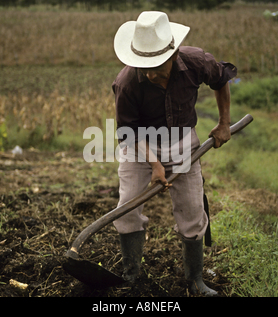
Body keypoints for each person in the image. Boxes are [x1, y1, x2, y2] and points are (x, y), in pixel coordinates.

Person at [111, 11, 236, 297]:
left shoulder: (196, 62)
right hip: (139, 144)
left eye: (156, 66)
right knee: (127, 208)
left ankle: (195, 280)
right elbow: (128, 131)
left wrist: (224, 123)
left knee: (192, 213)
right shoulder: (127, 82)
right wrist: (154, 164)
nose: (150, 73)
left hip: (183, 142)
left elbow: (221, 79)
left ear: (174, 53)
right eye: (145, 66)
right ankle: (130, 277)